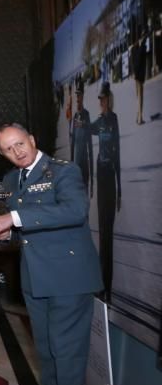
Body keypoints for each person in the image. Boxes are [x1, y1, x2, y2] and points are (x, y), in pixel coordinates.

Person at [0, 123, 102, 385]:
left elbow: (75, 211)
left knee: (66, 352)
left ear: (33, 139)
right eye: (8, 149)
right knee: (48, 351)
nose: (17, 152)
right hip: (36, 277)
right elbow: (32, 225)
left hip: (68, 276)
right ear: (3, 153)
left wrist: (15, 220)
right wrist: (12, 232)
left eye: (20, 143)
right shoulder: (11, 180)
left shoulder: (63, 171)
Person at [90, 82, 120, 297]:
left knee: (108, 231)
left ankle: (107, 285)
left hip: (110, 176)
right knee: (102, 231)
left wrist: (120, 188)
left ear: (110, 100)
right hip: (101, 176)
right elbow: (85, 130)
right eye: (101, 100)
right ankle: (103, 284)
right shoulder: (99, 122)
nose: (103, 103)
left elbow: (118, 152)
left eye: (105, 99)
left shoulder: (114, 120)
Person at [69, 85, 93, 195]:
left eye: (79, 96)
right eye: (76, 97)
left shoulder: (86, 115)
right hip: (76, 164)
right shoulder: (74, 117)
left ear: (83, 97)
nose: (78, 99)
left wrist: (92, 177)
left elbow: (90, 144)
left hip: (85, 163)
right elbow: (72, 142)